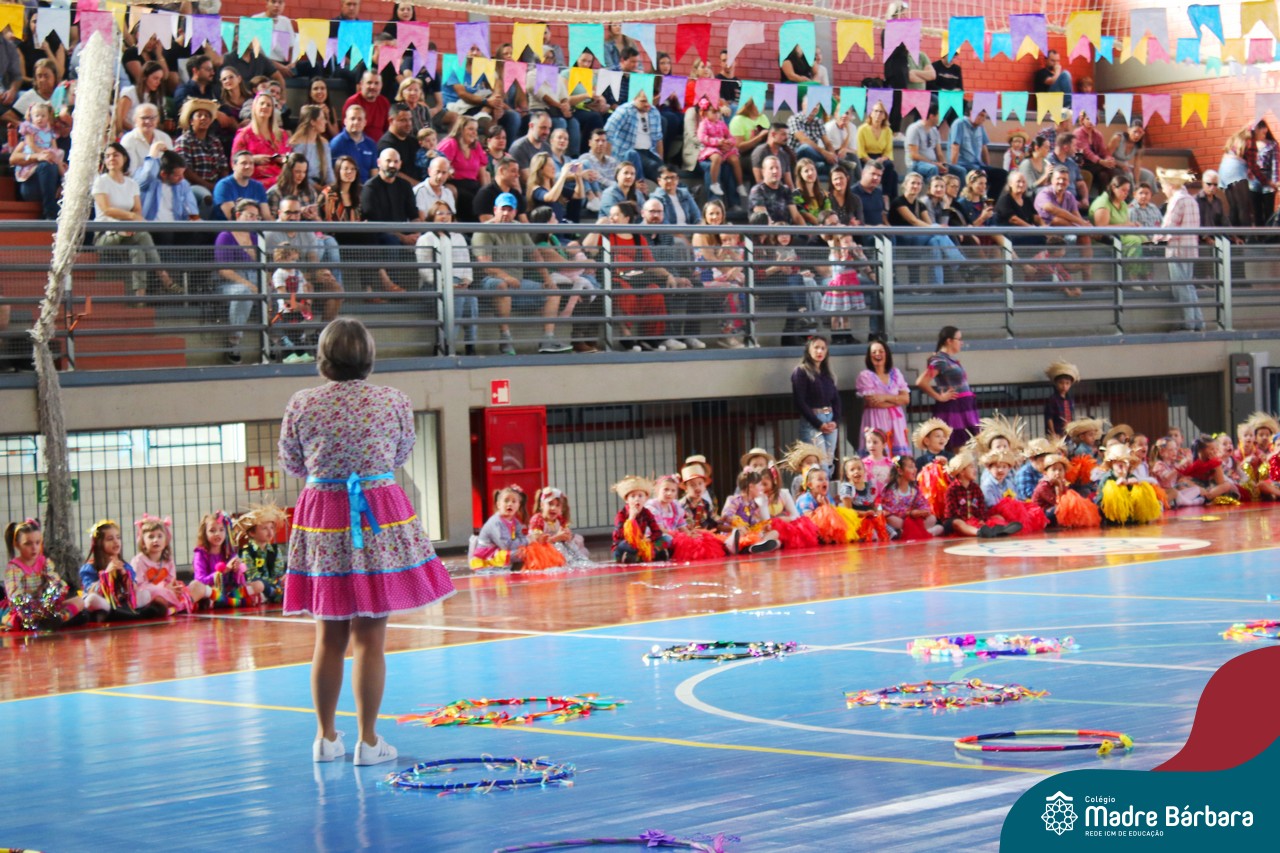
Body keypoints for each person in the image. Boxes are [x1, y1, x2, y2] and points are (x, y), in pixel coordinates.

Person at [280, 317, 455, 765]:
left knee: (328, 636)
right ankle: (368, 742)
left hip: (323, 513)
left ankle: (324, 739)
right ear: (369, 358)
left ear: (322, 359)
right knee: (371, 637)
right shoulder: (394, 400)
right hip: (378, 510)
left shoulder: (302, 402)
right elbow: (401, 451)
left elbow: (292, 462)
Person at [473, 193, 572, 354]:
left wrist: (547, 279)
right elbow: (485, 264)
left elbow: (535, 255)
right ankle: (505, 339)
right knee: (501, 285)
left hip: (518, 282)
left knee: (553, 292)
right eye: (503, 209)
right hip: (488, 282)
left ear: (515, 212)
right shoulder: (484, 230)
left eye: (510, 210)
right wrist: (506, 277)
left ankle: (548, 339)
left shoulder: (518, 227)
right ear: (495, 209)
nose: (506, 213)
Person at [93, 143, 179, 303]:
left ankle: (140, 297)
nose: (111, 159)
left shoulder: (131, 183)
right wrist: (130, 217)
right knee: (143, 235)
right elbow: (107, 210)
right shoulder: (100, 182)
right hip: (106, 233)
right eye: (108, 156)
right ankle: (164, 277)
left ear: (124, 158)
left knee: (138, 249)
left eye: (115, 155)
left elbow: (138, 210)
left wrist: (132, 221)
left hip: (130, 233)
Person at [214, 198, 266, 364]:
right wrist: (250, 285)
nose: (254, 220)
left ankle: (276, 342)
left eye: (257, 217)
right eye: (250, 215)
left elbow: (264, 264)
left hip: (255, 281)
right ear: (238, 215)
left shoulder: (257, 238)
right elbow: (224, 270)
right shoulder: (225, 236)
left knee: (277, 292)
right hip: (229, 284)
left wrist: (267, 282)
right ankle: (234, 343)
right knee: (244, 292)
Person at [1154, 168, 1206, 332]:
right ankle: (1198, 321)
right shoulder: (1191, 200)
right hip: (1190, 248)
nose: (1163, 190)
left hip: (1177, 249)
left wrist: (1154, 238)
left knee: (1181, 287)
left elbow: (1169, 227)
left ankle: (1189, 323)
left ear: (1170, 185)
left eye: (1163, 186)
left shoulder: (1176, 201)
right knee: (1188, 285)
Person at [915, 326, 979, 451]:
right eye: (959, 339)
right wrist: (939, 397)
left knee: (965, 447)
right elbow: (921, 382)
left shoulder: (948, 359)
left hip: (963, 406)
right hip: (955, 407)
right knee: (958, 447)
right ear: (949, 341)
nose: (961, 342)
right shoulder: (940, 360)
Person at [791, 336, 840, 472]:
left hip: (829, 418)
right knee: (819, 465)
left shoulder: (828, 373)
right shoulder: (801, 371)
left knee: (829, 463)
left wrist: (835, 421)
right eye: (816, 348)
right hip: (812, 421)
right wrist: (818, 424)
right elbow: (800, 401)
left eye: (823, 348)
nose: (820, 351)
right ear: (809, 350)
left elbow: (836, 400)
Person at [856, 338, 909, 455]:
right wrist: (896, 400)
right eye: (874, 352)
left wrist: (884, 397)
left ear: (887, 354)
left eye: (881, 351)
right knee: (878, 451)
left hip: (896, 421)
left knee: (899, 456)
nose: (877, 354)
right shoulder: (865, 376)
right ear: (869, 356)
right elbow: (872, 402)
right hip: (875, 418)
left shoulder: (896, 373)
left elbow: (906, 399)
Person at [605, 88, 664, 182]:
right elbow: (608, 133)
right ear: (634, 99)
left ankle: (680, 189)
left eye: (649, 101)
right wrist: (608, 161)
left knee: (665, 169)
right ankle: (640, 185)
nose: (647, 104)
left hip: (649, 151)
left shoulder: (654, 112)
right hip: (627, 152)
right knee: (653, 166)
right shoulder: (624, 110)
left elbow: (658, 139)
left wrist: (660, 159)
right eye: (643, 101)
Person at [437, 118, 489, 220]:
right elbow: (440, 166)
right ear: (461, 129)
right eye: (471, 129)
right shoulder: (450, 143)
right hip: (454, 183)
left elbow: (482, 173)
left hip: (473, 184)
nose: (475, 133)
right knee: (470, 200)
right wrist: (449, 170)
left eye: (476, 130)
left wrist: (486, 193)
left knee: (484, 199)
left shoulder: (476, 146)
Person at [949, 110, 1006, 197]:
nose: (983, 119)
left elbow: (984, 148)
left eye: (984, 116)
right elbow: (955, 147)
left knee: (1001, 174)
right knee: (973, 173)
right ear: (972, 112)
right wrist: (953, 169)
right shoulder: (959, 124)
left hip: (978, 165)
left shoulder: (980, 127)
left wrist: (988, 167)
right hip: (963, 166)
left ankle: (989, 202)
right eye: (981, 115)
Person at [329, 103, 379, 184]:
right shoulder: (336, 143)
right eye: (352, 119)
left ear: (365, 122)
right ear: (345, 121)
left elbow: (374, 173)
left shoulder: (371, 144)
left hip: (366, 188)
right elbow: (332, 174)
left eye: (359, 119)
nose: (356, 122)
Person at [1245, 120, 1278, 227]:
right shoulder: (1251, 143)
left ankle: (1269, 234)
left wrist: (1275, 182)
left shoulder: (1272, 145)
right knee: (1256, 211)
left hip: (1267, 178)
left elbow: (1275, 164)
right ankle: (1259, 235)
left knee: (1269, 211)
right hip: (1253, 179)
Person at [905, 104, 947, 181]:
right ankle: (933, 188)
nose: (942, 118)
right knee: (933, 169)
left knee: (959, 170)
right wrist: (933, 163)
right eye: (939, 115)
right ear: (931, 116)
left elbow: (939, 153)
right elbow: (914, 155)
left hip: (932, 163)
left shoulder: (935, 130)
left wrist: (944, 165)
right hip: (916, 164)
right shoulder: (914, 129)